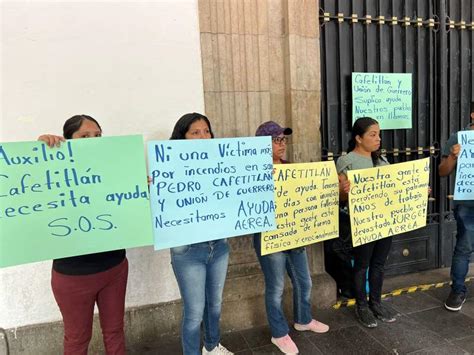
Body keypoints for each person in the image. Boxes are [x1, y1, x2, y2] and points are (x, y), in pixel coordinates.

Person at [38, 115, 128, 355]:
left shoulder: (113, 168)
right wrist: (40, 152)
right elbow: (32, 190)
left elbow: (127, 206)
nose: (93, 140)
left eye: (97, 135)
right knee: (78, 339)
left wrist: (139, 187)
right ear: (69, 140)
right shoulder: (56, 174)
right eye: (84, 136)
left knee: (115, 331)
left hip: (114, 267)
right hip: (73, 275)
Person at [253, 121, 329, 354]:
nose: (282, 144)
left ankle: (303, 319)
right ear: (262, 144)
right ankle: (279, 333)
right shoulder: (253, 172)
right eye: (276, 140)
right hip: (270, 237)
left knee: (304, 280)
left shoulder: (290, 169)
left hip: (295, 235)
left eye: (283, 140)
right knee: (275, 286)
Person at [169, 112, 233, 355]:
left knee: (215, 304)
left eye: (206, 131)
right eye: (195, 132)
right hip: (187, 249)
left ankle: (212, 346)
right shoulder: (168, 169)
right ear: (181, 138)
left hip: (218, 246)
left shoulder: (222, 164)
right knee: (194, 312)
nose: (203, 136)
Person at [336, 117, 397, 328]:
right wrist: (343, 192)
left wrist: (416, 191)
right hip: (362, 222)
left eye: (378, 134)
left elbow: (394, 188)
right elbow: (340, 198)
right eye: (373, 134)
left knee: (379, 264)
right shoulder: (346, 162)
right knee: (362, 265)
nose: (378, 138)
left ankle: (376, 303)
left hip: (384, 221)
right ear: (358, 138)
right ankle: (362, 306)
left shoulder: (382, 161)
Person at [439, 102, 474, 311]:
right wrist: (453, 155)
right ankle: (458, 289)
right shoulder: (459, 138)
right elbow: (443, 171)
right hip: (468, 205)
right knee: (464, 247)